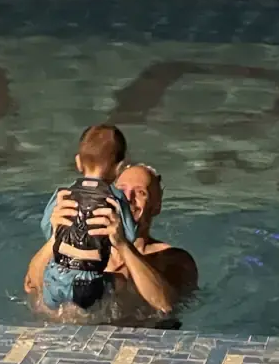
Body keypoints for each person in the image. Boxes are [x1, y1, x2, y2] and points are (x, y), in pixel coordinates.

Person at [24, 162, 197, 325]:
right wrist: (57, 236)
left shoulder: (173, 258)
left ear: (156, 206)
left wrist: (123, 245)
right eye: (122, 191)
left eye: (140, 193)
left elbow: (165, 306)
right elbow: (33, 286)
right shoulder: (80, 250)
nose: (128, 198)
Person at [35, 124, 137, 314]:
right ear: (120, 168)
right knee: (122, 282)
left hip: (55, 275)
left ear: (78, 162)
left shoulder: (62, 194)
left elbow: (48, 229)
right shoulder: (115, 198)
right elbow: (130, 236)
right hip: (90, 284)